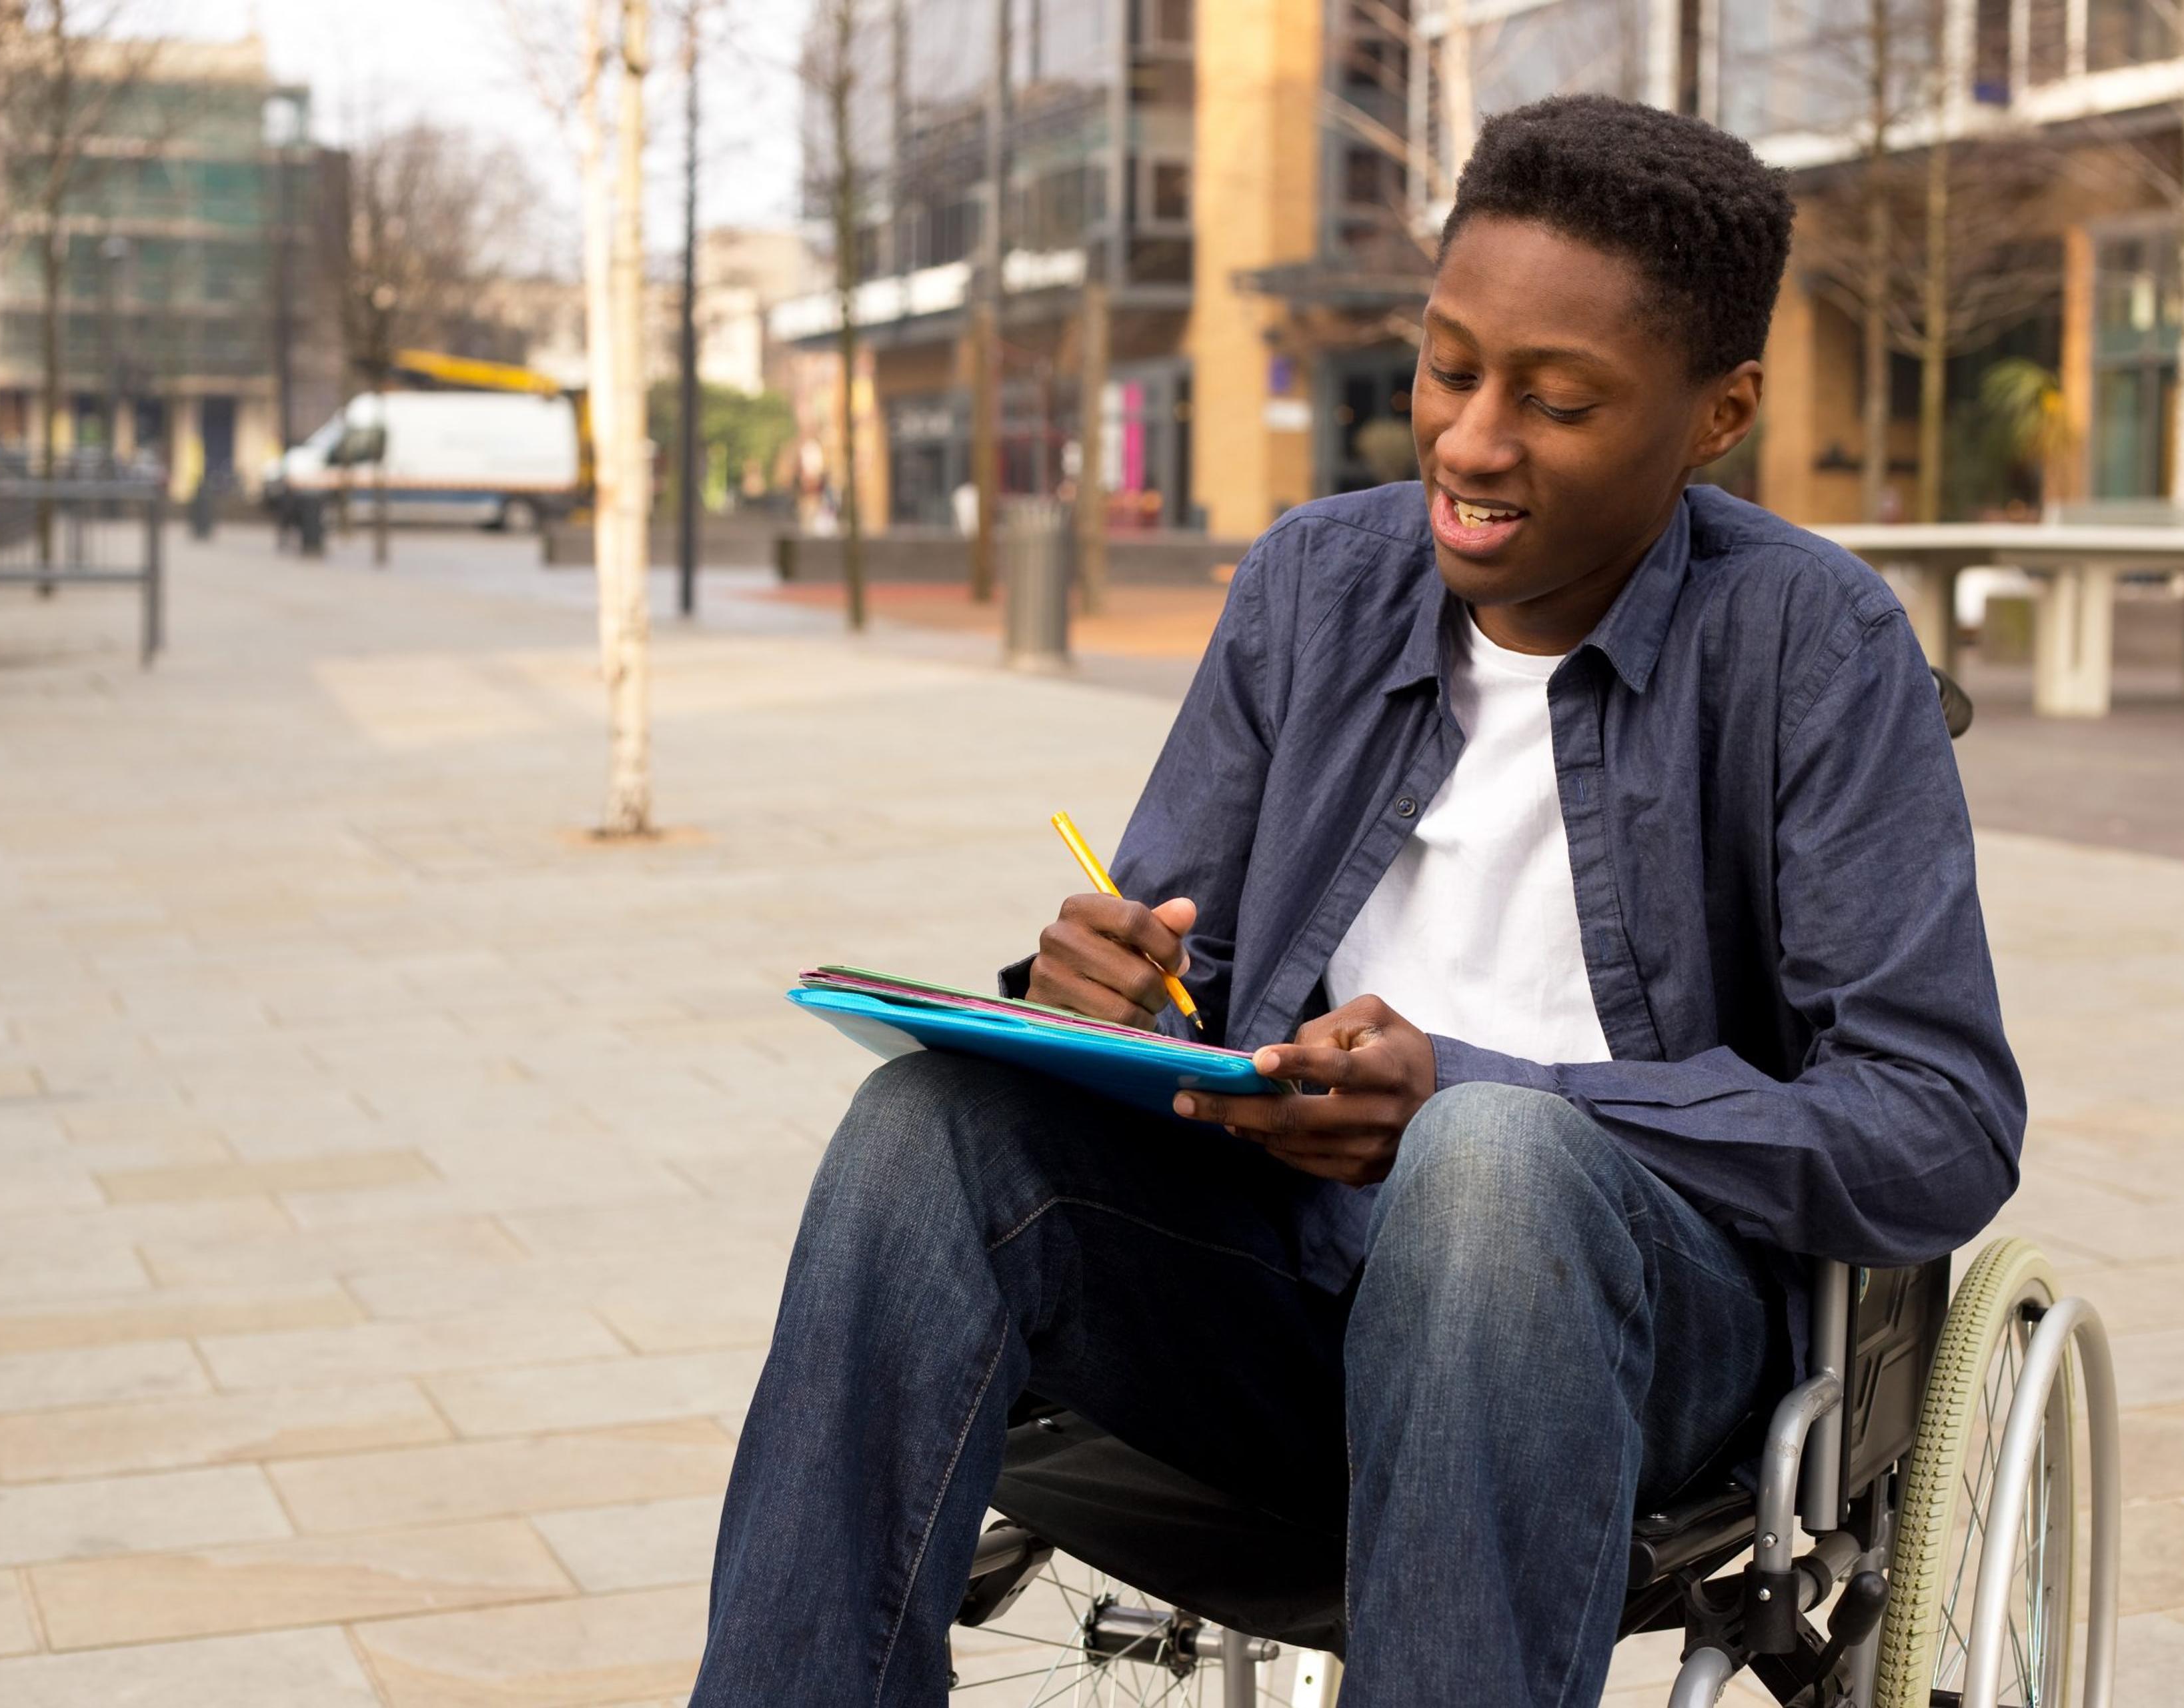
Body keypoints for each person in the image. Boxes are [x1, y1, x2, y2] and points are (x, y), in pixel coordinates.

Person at [690, 94, 2025, 1707]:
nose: (1469, 441)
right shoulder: (1315, 584)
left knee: (1490, 1163)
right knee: (928, 1130)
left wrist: (1472, 1092)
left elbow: (1938, 1123)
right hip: (1275, 1303)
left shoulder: (1815, 650)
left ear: (1716, 415)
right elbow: (1194, 960)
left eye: (1558, 401)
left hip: (1629, 1337)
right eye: (1451, 369)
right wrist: (1089, 994)